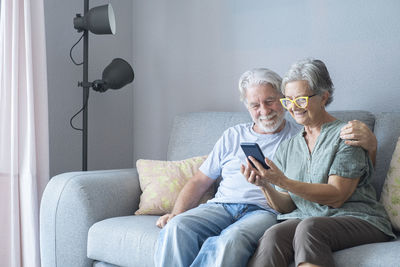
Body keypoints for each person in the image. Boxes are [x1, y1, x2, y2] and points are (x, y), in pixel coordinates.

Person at [154, 67, 377, 267]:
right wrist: (176, 213)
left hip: (264, 211)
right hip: (223, 205)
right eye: (255, 104)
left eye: (271, 101)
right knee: (177, 227)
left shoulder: (300, 132)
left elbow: (342, 186)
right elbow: (200, 180)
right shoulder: (242, 136)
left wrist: (372, 144)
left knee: (232, 239)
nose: (264, 110)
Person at [242, 59, 395, 267]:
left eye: (301, 100)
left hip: (358, 217)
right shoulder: (288, 147)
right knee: (273, 235)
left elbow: (337, 196)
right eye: (288, 101)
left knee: (310, 228)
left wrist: (284, 181)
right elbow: (286, 206)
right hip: (308, 216)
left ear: (324, 97)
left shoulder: (347, 136)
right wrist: (265, 185)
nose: (294, 107)